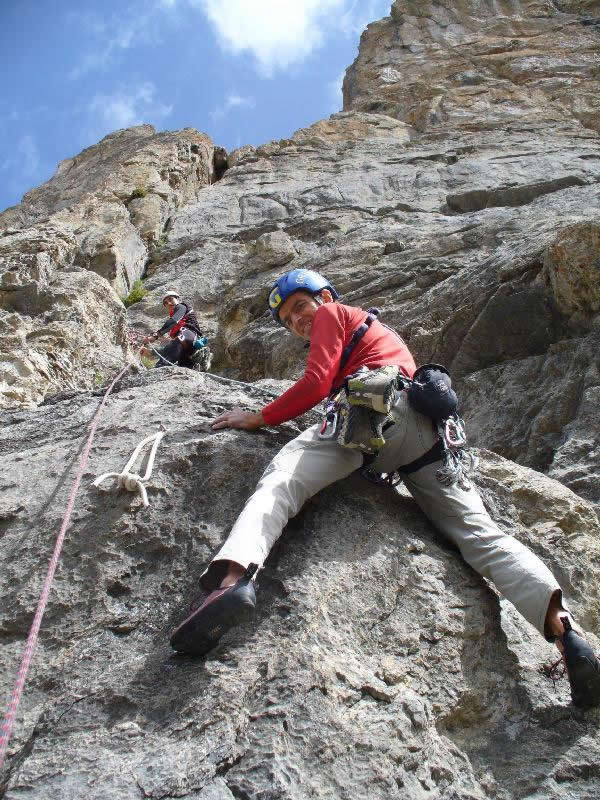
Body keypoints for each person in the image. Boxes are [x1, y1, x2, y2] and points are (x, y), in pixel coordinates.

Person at [170, 269, 600, 708]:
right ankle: (570, 638)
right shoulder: (374, 329)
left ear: (324, 296)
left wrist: (260, 417)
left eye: (300, 305)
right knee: (480, 535)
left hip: (368, 413)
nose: (298, 319)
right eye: (287, 319)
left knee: (283, 479)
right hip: (426, 437)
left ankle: (232, 580)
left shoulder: (331, 314)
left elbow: (318, 382)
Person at [142, 290, 208, 369]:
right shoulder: (179, 317)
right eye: (166, 303)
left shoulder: (181, 306)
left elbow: (173, 321)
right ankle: (192, 367)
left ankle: (160, 367)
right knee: (180, 360)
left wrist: (155, 336)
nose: (169, 303)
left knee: (172, 347)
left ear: (177, 299)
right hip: (190, 344)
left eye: (170, 299)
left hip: (189, 335)